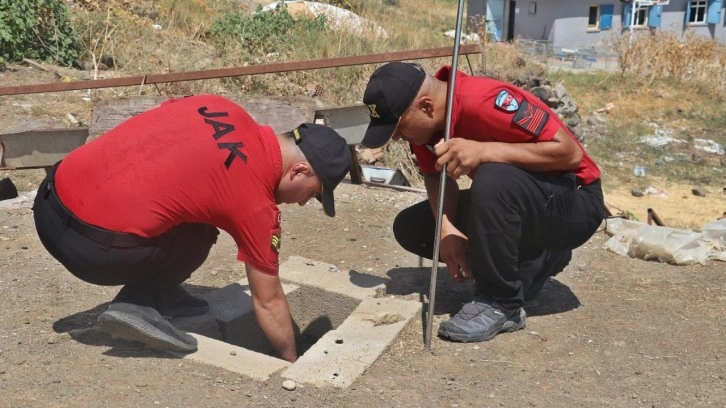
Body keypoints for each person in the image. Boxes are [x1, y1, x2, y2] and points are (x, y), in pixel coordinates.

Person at [33, 95, 351, 361]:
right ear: (299, 170)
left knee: (194, 202)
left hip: (48, 199)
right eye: (311, 194)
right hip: (89, 251)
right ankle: (139, 303)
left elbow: (161, 128)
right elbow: (268, 300)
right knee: (202, 231)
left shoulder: (220, 106)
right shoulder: (256, 203)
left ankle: (161, 294)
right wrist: (290, 361)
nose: (301, 203)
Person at [361, 62, 604, 343]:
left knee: (491, 177)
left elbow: (570, 154)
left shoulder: (486, 101)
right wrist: (447, 229)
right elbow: (434, 174)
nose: (398, 137)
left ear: (426, 106)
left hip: (575, 202)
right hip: (527, 200)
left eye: (399, 128)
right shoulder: (426, 127)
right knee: (414, 227)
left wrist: (483, 151)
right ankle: (536, 258)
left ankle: (501, 303)